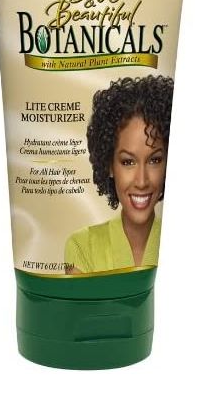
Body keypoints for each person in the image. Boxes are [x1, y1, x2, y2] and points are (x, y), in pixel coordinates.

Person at [65, 75, 173, 274]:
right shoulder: (82, 247)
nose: (142, 181)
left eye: (155, 160)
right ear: (110, 165)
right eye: (128, 162)